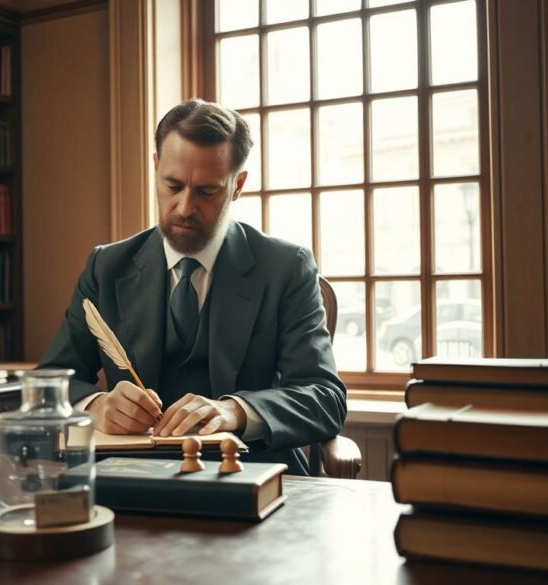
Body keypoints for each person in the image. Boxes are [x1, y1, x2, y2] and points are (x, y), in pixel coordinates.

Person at [38, 98, 346, 474]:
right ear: (155, 168)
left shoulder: (285, 267)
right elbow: (49, 384)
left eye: (206, 191)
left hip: (253, 474)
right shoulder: (106, 266)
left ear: (238, 185)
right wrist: (96, 406)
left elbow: (325, 397)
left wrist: (235, 411)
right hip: (128, 478)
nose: (184, 207)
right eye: (173, 185)